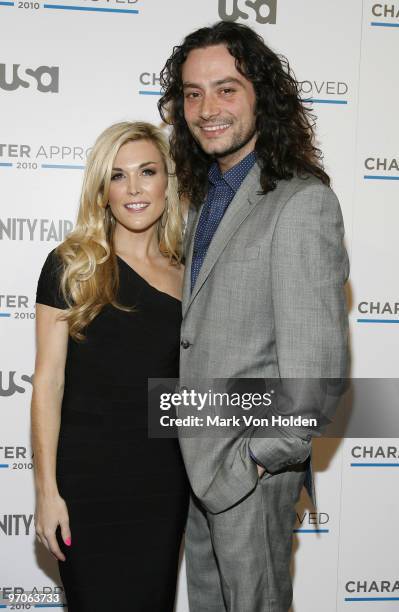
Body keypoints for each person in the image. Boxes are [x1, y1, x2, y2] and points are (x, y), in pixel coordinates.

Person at [158, 21, 349, 612]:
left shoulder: (299, 203)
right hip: (198, 468)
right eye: (193, 93)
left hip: (247, 476)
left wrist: (252, 465)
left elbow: (316, 379)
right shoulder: (203, 196)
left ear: (261, 96)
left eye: (226, 89)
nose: (206, 108)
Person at [31, 121, 189, 612]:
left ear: (168, 182)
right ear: (102, 192)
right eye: (118, 176)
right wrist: (46, 492)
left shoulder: (189, 273)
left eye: (147, 171)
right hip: (87, 485)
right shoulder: (73, 265)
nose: (135, 188)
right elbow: (48, 384)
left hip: (162, 482)